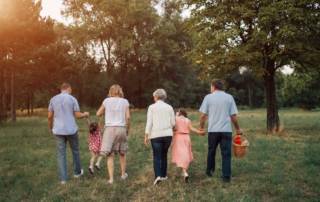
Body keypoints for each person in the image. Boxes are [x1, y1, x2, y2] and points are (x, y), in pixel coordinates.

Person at [199, 79, 242, 183]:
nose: (210, 88)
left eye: (210, 86)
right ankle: (226, 176)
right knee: (226, 153)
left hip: (213, 130)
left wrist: (201, 127)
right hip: (226, 130)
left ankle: (210, 171)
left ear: (213, 86)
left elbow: (203, 115)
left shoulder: (208, 97)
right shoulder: (229, 97)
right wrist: (238, 129)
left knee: (211, 151)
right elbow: (233, 116)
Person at [48, 82, 89, 184]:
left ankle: (63, 179)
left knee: (61, 154)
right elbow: (77, 115)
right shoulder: (72, 99)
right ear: (68, 88)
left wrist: (50, 127)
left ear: (61, 89)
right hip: (71, 130)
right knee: (75, 150)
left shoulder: (53, 99)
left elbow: (49, 116)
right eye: (71, 89)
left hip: (58, 130)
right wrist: (85, 114)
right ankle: (77, 173)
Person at [97, 84, 130, 184]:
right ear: (120, 91)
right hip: (121, 128)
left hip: (109, 129)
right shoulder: (125, 101)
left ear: (110, 91)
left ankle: (111, 179)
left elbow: (98, 113)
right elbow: (128, 117)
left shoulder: (106, 101)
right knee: (122, 153)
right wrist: (127, 129)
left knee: (110, 155)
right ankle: (123, 174)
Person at [144, 89, 175, 185]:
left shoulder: (152, 107)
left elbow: (149, 122)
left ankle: (157, 176)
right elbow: (173, 123)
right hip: (167, 135)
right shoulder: (169, 107)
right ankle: (164, 175)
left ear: (156, 97)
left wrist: (146, 135)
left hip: (156, 135)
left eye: (154, 96)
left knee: (157, 156)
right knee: (164, 155)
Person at [171, 109, 204, 183]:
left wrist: (175, 116)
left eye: (178, 111)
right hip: (186, 137)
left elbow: (173, 127)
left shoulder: (175, 119)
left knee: (180, 153)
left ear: (179, 113)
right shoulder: (187, 120)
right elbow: (191, 128)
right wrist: (199, 132)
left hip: (178, 137)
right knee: (185, 153)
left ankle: (184, 171)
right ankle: (184, 171)